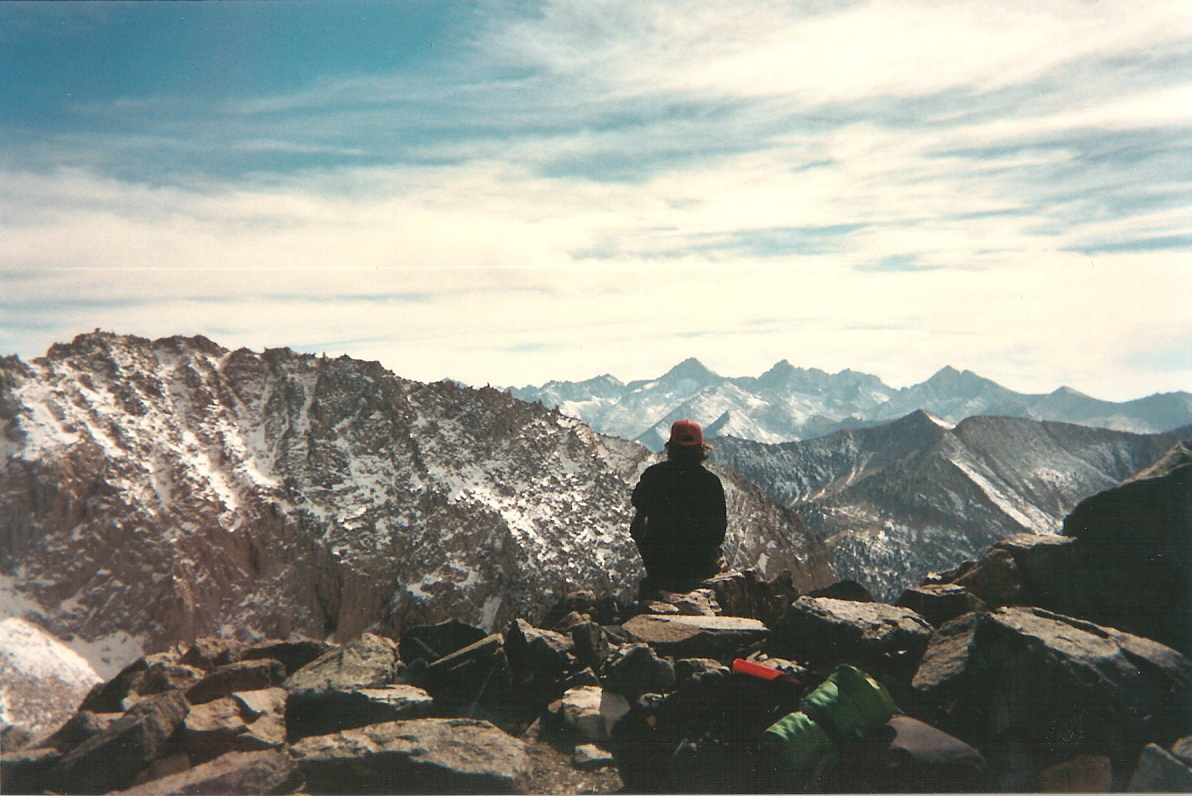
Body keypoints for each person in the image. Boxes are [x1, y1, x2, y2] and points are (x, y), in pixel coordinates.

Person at [630, 419, 728, 592]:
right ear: (701, 448)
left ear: (670, 445)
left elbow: (638, 503)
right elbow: (717, 533)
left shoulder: (653, 475)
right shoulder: (710, 482)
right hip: (699, 565)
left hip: (660, 565)